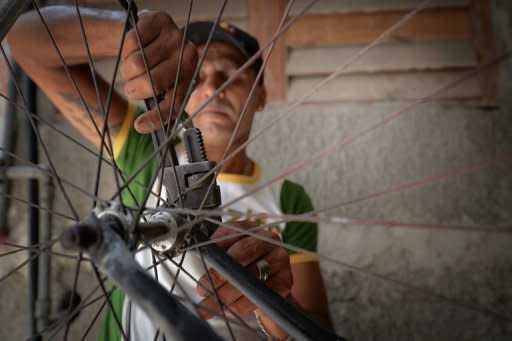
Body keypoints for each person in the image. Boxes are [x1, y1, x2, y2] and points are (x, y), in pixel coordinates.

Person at [8, 6, 332, 340]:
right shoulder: (147, 149)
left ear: (260, 95)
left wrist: (271, 297)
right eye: (195, 78)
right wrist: (129, 35)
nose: (213, 88)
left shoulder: (288, 198)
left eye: (231, 75)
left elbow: (320, 330)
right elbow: (21, 36)